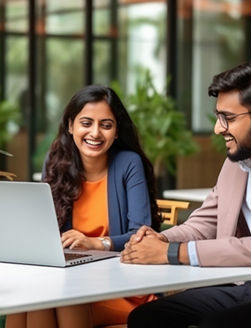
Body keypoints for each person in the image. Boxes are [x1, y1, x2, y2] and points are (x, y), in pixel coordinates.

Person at [121, 60, 251, 328]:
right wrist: (158, 239)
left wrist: (172, 253)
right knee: (148, 318)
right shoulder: (236, 162)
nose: (218, 129)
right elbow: (204, 223)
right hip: (249, 282)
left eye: (228, 118)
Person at [6, 85, 161, 328]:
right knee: (30, 300)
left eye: (106, 125)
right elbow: (45, 230)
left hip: (121, 287)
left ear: (117, 131)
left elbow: (141, 235)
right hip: (69, 279)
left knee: (54, 299)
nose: (95, 133)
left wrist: (97, 243)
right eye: (86, 123)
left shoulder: (128, 163)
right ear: (71, 126)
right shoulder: (56, 162)